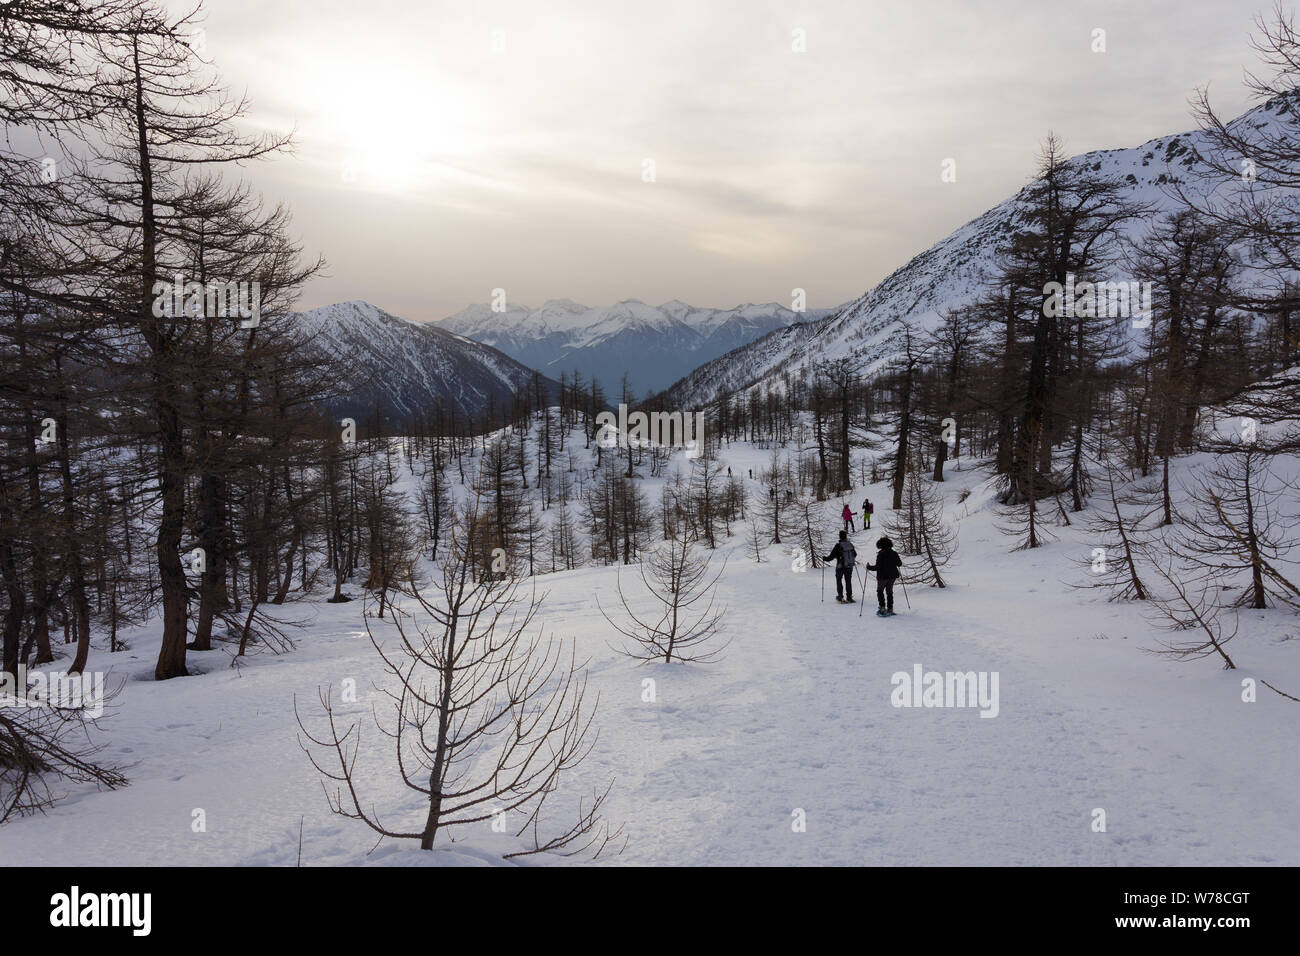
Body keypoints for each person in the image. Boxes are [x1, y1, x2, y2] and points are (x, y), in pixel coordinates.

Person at [867, 536, 903, 616]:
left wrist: (869, 567)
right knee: (889, 592)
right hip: (893, 576)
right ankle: (890, 608)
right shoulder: (894, 553)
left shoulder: (881, 554)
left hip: (882, 576)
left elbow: (878, 567)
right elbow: (899, 564)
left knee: (880, 591)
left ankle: (882, 607)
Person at [822, 530, 857, 604]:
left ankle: (840, 597)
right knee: (848, 581)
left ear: (840, 536)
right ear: (846, 536)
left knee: (839, 580)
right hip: (849, 566)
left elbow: (831, 557)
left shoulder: (838, 545)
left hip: (840, 566)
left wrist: (825, 558)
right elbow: (855, 554)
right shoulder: (850, 544)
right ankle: (849, 597)